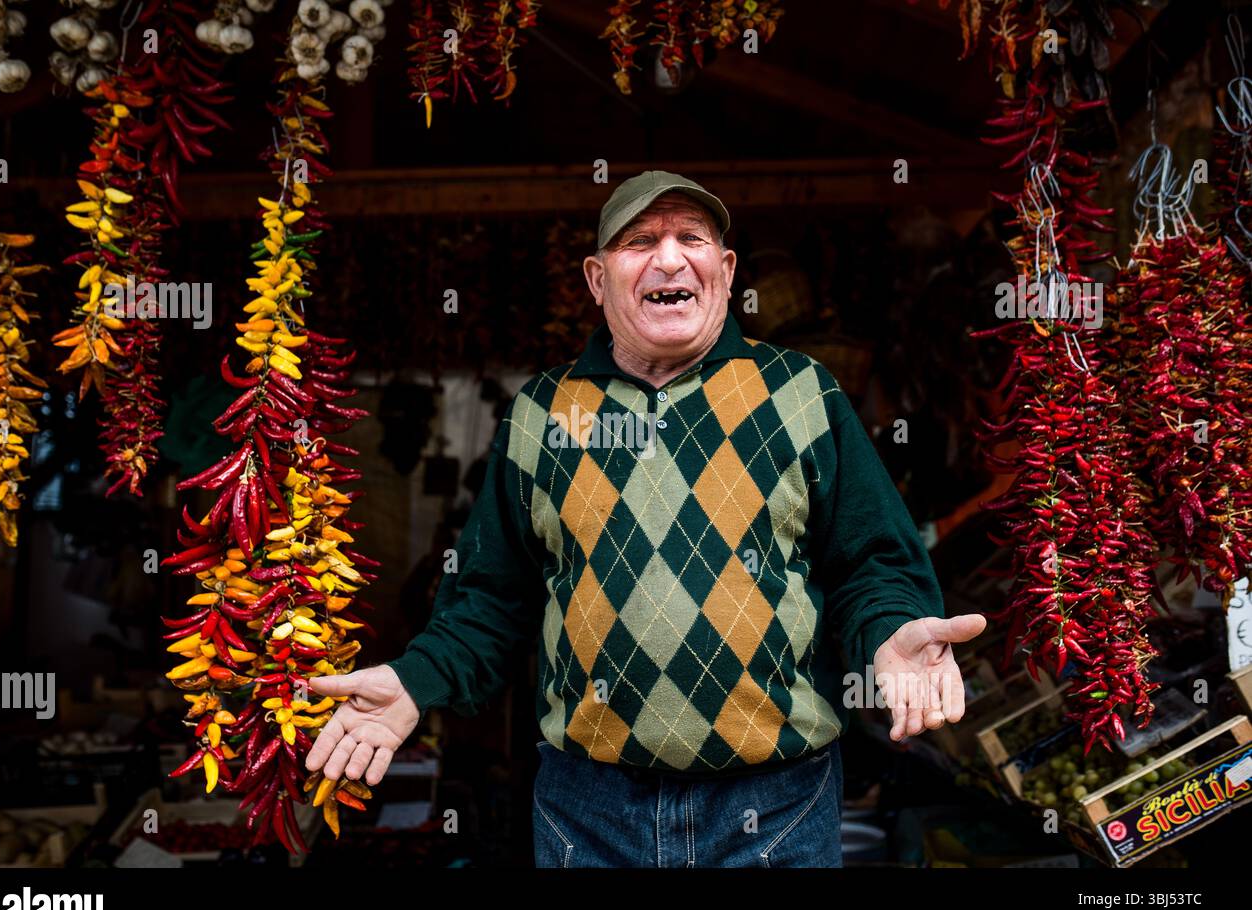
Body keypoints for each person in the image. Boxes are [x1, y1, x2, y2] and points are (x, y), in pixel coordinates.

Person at [306, 170, 986, 867]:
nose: (668, 258)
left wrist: (895, 624)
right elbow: (490, 599)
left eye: (692, 238)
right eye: (640, 241)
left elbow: (873, 558)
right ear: (598, 279)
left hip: (776, 806)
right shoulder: (543, 416)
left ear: (724, 272)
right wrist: (417, 680)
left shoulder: (801, 395)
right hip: (592, 812)